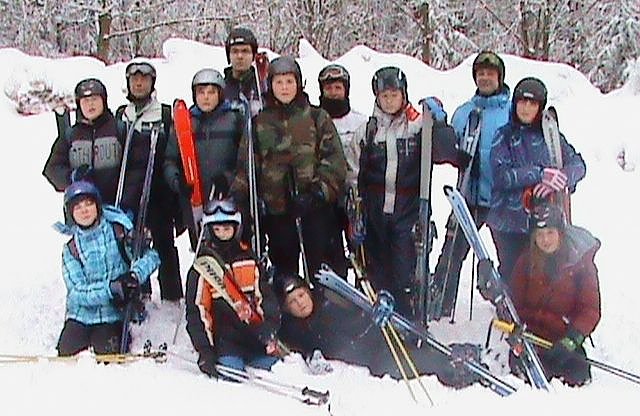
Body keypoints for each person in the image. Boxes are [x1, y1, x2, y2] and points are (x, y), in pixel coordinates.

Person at [349, 66, 457, 317]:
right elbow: (354, 173)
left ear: (404, 94)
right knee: (375, 271)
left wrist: (439, 123)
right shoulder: (368, 131)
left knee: (404, 273)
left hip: (407, 212)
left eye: (394, 95)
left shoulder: (417, 127)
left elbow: (447, 153)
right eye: (384, 96)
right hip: (375, 213)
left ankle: (407, 320)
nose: (389, 101)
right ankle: (374, 323)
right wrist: (355, 210)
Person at [229, 56, 348, 282]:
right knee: (284, 275)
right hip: (277, 214)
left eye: (289, 82)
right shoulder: (259, 123)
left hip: (315, 211)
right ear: (271, 85)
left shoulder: (316, 117)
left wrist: (317, 193)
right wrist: (239, 199)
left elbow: (334, 162)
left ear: (299, 83)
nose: (284, 88)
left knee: (322, 272)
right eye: (279, 82)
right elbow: (246, 167)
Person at [277, 273, 483, 388]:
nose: (300, 303)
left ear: (308, 292)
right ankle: (458, 369)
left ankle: (464, 356)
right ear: (287, 309)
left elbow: (365, 299)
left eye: (301, 295)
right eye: (292, 302)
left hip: (380, 330)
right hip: (374, 357)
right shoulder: (297, 330)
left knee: (421, 347)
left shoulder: (330, 297)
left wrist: (382, 300)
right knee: (418, 363)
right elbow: (292, 348)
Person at [430, 51, 511, 319]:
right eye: (481, 73)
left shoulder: (512, 112)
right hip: (468, 197)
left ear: (500, 77)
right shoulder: (465, 113)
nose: (485, 78)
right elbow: (447, 148)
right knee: (452, 253)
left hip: (501, 200)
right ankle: (440, 302)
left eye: (490, 73)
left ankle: (511, 308)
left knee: (509, 258)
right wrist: (443, 134)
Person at [488, 77, 586, 284]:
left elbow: (579, 165)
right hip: (509, 222)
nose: (526, 108)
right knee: (514, 277)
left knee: (543, 279)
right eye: (522, 102)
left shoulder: (550, 136)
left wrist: (561, 178)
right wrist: (539, 174)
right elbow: (501, 176)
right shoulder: (503, 136)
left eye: (532, 103)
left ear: (540, 107)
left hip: (543, 224)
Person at [496, 202, 601, 386]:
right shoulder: (526, 261)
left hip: (563, 342)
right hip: (531, 339)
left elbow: (590, 310)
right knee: (526, 380)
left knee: (576, 377)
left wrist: (571, 340)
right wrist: (514, 331)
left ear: (561, 233)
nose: (545, 240)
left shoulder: (581, 264)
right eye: (540, 235)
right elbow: (513, 303)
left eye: (550, 233)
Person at [55, 181, 159, 355]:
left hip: (114, 313)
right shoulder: (71, 248)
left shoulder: (118, 231)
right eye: (78, 207)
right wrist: (110, 289)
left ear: (98, 206)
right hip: (82, 314)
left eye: (89, 204)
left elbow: (151, 257)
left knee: (106, 349)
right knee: (67, 350)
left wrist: (134, 276)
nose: (84, 211)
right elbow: (77, 291)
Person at [185, 197, 281, 377]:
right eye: (217, 230)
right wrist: (205, 350)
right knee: (233, 378)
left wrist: (269, 327)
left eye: (227, 229)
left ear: (236, 229)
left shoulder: (249, 259)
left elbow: (266, 298)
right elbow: (198, 311)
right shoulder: (204, 266)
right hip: (225, 343)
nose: (222, 234)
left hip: (254, 337)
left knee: (277, 371)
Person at [116, 59, 183, 302]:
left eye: (144, 79)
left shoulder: (164, 114)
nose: (139, 84)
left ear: (152, 83)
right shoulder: (121, 115)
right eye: (134, 79)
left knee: (164, 243)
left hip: (159, 191)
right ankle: (139, 292)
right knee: (134, 243)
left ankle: (172, 296)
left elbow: (176, 151)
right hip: (130, 191)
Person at [42, 78, 148, 217]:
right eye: (85, 101)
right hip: (83, 213)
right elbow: (52, 169)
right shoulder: (70, 135)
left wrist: (127, 199)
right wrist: (71, 177)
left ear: (103, 101)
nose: (90, 104)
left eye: (94, 99)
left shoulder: (121, 130)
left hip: (117, 208)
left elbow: (139, 167)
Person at [163, 68, 244, 219]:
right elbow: (170, 160)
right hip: (193, 203)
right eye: (201, 92)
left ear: (220, 94)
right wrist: (177, 181)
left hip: (227, 198)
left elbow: (245, 160)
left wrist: (229, 179)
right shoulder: (185, 124)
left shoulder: (234, 120)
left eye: (211, 92)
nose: (206, 97)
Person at [318, 63, 367, 268]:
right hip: (326, 198)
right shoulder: (314, 121)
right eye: (328, 88)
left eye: (338, 88)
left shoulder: (360, 122)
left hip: (354, 196)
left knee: (362, 253)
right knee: (331, 255)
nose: (333, 93)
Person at [223, 27, 262, 115]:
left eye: (245, 51)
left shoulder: (263, 87)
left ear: (253, 55)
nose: (240, 56)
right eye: (235, 51)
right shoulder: (219, 89)